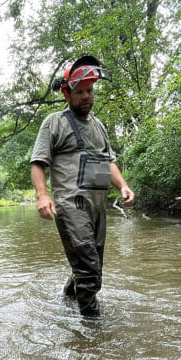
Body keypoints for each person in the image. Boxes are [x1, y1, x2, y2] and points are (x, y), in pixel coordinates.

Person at [30, 55, 135, 317]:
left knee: (92, 263)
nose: (86, 96)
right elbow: (38, 163)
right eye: (80, 92)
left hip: (97, 207)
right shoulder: (54, 122)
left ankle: (66, 300)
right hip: (70, 206)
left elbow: (108, 162)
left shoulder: (99, 125)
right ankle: (92, 330)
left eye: (90, 90)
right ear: (67, 93)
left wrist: (123, 186)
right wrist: (43, 196)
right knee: (90, 269)